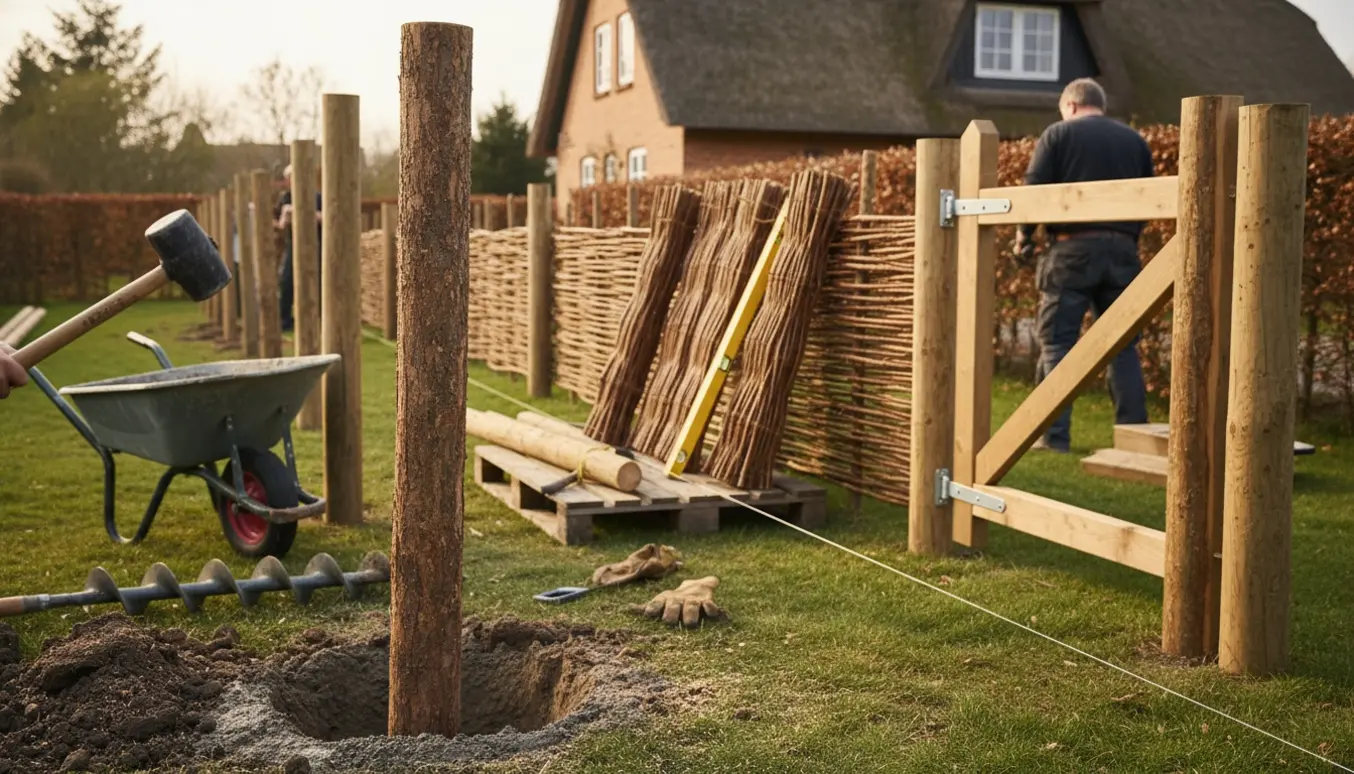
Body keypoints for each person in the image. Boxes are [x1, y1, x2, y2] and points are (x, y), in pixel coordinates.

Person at [1016, 77, 1154, 452]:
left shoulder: (1058, 135)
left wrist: (1024, 237)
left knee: (1058, 342)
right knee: (1123, 345)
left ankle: (1054, 437)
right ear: (1101, 106)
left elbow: (1035, 193)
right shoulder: (1134, 140)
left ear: (1072, 106)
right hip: (1123, 252)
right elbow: (1151, 197)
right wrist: (1127, 238)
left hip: (1070, 251)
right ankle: (1133, 439)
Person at [274, 164, 322, 332]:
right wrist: (285, 218)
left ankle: (320, 319)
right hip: (293, 245)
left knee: (320, 283)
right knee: (286, 282)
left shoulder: (317, 197)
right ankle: (285, 320)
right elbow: (278, 224)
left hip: (317, 246)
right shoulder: (286, 198)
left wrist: (307, 212)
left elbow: (327, 217)